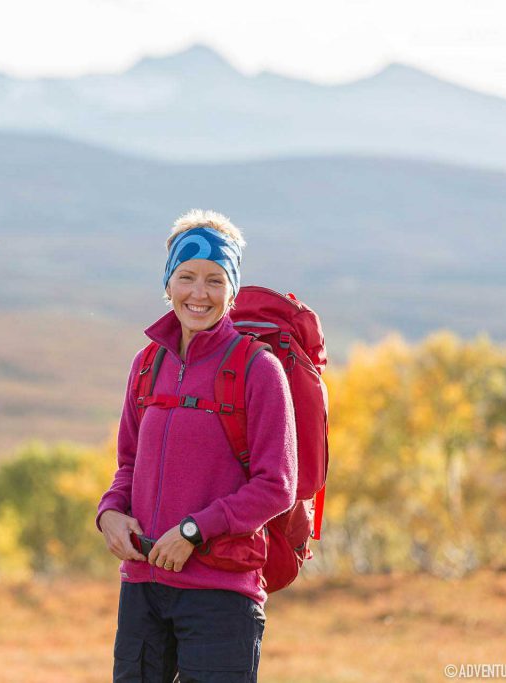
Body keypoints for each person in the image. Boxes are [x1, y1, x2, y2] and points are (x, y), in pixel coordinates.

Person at [96, 210, 297, 683]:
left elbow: (278, 485)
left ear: (232, 289)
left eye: (215, 279)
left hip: (221, 594)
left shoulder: (258, 369)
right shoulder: (147, 364)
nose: (198, 293)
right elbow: (128, 463)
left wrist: (193, 531)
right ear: (168, 283)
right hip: (143, 587)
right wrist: (109, 512)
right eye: (186, 277)